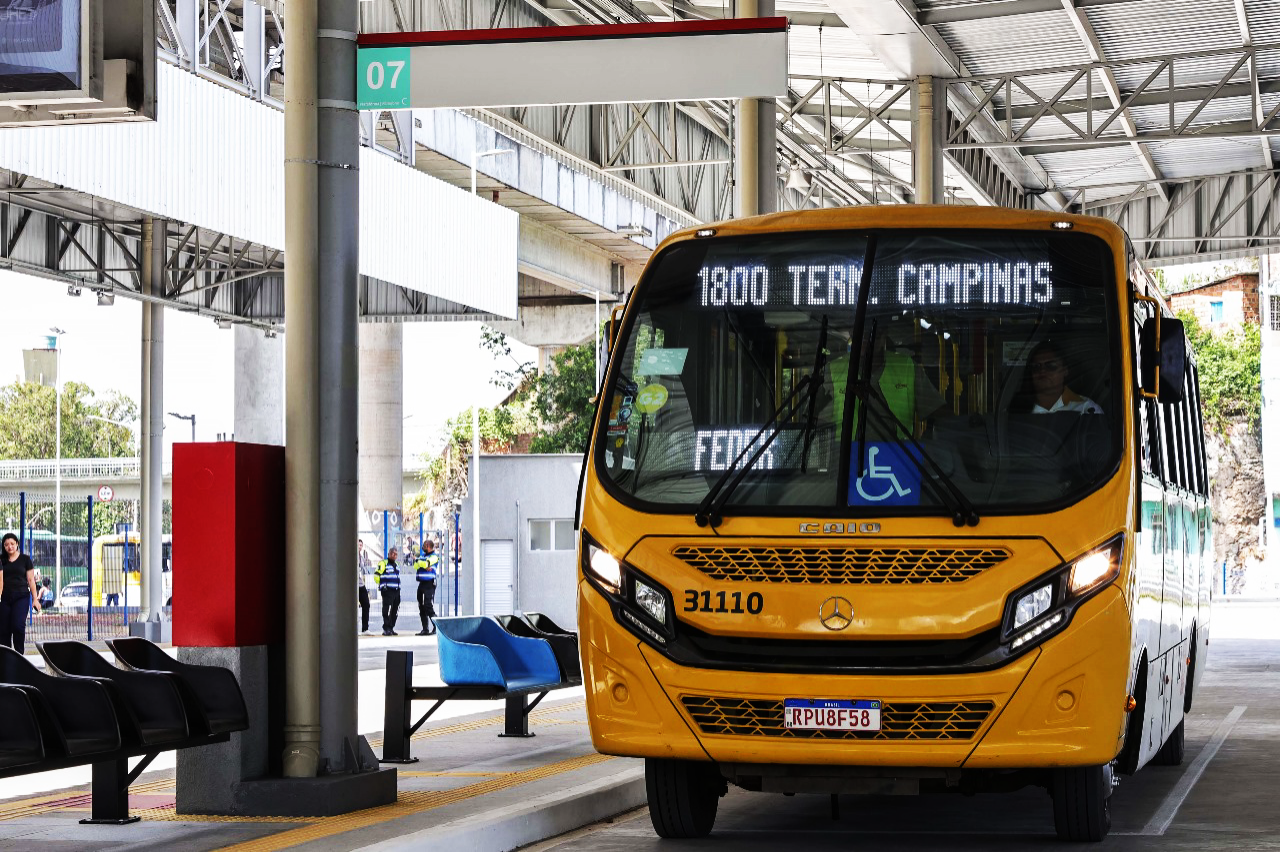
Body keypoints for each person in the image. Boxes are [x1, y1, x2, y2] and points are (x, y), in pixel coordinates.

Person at [1026, 342, 1103, 414]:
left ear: (1065, 370)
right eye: (1036, 367)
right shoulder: (1018, 408)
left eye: (1051, 366)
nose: (1042, 371)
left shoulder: (1086, 409)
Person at [0, 533, 40, 653]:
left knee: (18, 626)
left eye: (12, 544)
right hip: (4, 598)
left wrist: (35, 599)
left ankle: (19, 655)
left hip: (21, 596)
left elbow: (31, 580)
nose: (10, 547)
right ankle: (6, 656)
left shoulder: (25, 559)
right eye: (6, 545)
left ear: (17, 544)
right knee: (4, 629)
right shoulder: (1, 560)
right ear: (3, 546)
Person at [413, 539, 440, 636]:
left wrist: (421, 562)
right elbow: (415, 566)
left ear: (428, 545)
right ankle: (425, 629)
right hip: (421, 584)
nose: (422, 547)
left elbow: (423, 563)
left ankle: (437, 626)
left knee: (428, 605)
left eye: (424, 545)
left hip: (429, 583)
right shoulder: (423, 556)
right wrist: (422, 563)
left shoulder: (434, 557)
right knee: (421, 606)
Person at [374, 547, 402, 636]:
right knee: (387, 609)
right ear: (389, 554)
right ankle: (386, 628)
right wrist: (383, 586)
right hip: (388, 591)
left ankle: (391, 627)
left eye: (396, 554)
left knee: (395, 610)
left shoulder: (396, 565)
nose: (394, 555)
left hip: (396, 591)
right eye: (393, 553)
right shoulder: (383, 563)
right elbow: (376, 576)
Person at [357, 538, 373, 634]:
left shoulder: (361, 557)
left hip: (360, 583)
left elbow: (362, 568)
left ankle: (365, 628)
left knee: (366, 603)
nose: (360, 547)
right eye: (358, 545)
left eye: (361, 545)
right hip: (352, 583)